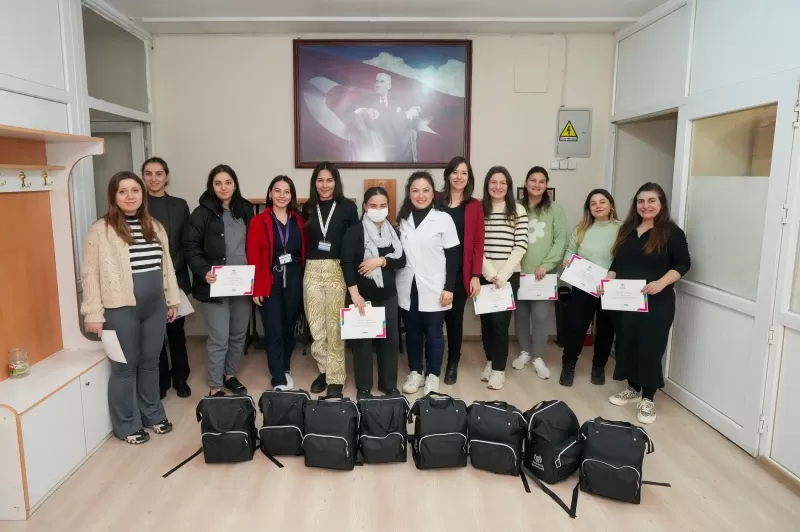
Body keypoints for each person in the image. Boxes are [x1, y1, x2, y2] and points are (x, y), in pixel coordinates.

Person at [81, 171, 180, 444]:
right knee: (124, 368)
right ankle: (126, 424)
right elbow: (90, 274)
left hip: (154, 308)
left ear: (142, 194)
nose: (129, 196)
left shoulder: (155, 226)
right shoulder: (100, 230)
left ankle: (153, 414)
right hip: (119, 310)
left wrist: (172, 299)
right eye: (122, 191)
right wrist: (93, 313)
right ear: (114, 196)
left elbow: (166, 265)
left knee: (150, 364)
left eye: (134, 190)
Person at [598, 182, 690, 425]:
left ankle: (648, 398)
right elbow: (617, 264)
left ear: (661, 204)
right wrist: (607, 283)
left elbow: (682, 265)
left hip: (657, 301)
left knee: (650, 347)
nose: (645, 205)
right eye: (641, 201)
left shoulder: (672, 232)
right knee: (627, 343)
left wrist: (661, 283)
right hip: (626, 301)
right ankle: (633, 388)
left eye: (651, 201)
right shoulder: (627, 229)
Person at [183, 164, 253, 397]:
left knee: (238, 334)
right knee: (219, 336)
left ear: (235, 184)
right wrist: (203, 271)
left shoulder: (244, 209)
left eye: (228, 182)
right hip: (215, 284)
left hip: (242, 283)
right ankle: (215, 385)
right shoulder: (201, 213)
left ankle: (229, 375)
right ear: (211, 186)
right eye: (218, 183)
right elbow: (190, 247)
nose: (223, 187)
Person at [396, 171, 460, 396]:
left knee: (433, 332)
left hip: (435, 286)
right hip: (407, 285)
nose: (420, 195)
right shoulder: (402, 219)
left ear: (433, 193)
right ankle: (416, 372)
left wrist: (449, 288)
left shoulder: (443, 219)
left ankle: (433, 375)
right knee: (412, 332)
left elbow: (453, 257)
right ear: (409, 193)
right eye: (415, 190)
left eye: (425, 190)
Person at [301, 161, 359, 397]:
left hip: (337, 269)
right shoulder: (307, 208)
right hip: (312, 270)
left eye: (329, 180)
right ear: (314, 183)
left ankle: (336, 377)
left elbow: (355, 243)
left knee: (335, 327)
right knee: (316, 326)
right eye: (320, 180)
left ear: (336, 182)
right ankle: (325, 370)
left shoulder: (347, 207)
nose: (324, 185)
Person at [341, 187, 406, 399]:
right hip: (363, 297)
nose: (378, 210)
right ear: (365, 207)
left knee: (390, 342)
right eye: (373, 205)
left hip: (388, 294)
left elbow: (401, 260)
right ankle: (363, 387)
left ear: (388, 207)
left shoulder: (392, 232)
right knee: (363, 344)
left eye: (382, 206)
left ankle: (388, 385)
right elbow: (348, 263)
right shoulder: (355, 231)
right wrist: (354, 295)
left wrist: (379, 261)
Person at [247, 176, 306, 391]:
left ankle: (285, 367)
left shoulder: (297, 220)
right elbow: (253, 255)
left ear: (292, 195)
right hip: (269, 279)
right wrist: (255, 287)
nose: (282, 196)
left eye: (287, 191)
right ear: (270, 193)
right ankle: (278, 378)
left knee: (289, 327)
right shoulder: (258, 221)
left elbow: (303, 252)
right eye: (278, 191)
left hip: (293, 279)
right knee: (273, 329)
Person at [141, 157, 193, 399]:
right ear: (143, 176)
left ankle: (180, 377)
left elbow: (187, 241)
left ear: (166, 177)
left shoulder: (180, 204)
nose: (154, 178)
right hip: (148, 279)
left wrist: (174, 267)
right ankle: (160, 379)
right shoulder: (137, 205)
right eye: (149, 173)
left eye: (159, 174)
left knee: (176, 331)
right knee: (155, 333)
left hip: (177, 276)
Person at [559, 189, 621, 387]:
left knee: (605, 329)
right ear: (589, 208)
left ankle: (598, 367)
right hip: (583, 287)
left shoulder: (622, 229)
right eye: (593, 203)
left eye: (602, 202)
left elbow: (626, 257)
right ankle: (568, 366)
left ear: (611, 205)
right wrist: (567, 261)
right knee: (576, 326)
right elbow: (570, 251)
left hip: (610, 287)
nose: (598, 206)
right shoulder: (581, 229)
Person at [512, 166, 567, 379]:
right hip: (518, 272)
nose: (536, 184)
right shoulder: (516, 207)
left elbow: (560, 240)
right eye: (532, 180)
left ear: (546, 185)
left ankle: (538, 357)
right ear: (525, 183)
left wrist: (547, 263)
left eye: (541, 181)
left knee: (541, 316)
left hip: (543, 274)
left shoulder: (555, 209)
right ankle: (525, 352)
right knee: (521, 314)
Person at [478, 167, 528, 390]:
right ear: (487, 185)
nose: (497, 187)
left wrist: (503, 276)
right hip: (484, 274)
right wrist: (490, 273)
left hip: (508, 276)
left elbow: (520, 245)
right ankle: (491, 360)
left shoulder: (518, 210)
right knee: (486, 323)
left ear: (508, 186)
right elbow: (475, 246)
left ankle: (499, 370)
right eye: (493, 182)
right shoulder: (478, 209)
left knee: (500, 324)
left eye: (502, 183)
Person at [438, 156, 484, 384]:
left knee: (454, 321)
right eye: (455, 172)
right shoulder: (435, 202)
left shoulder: (474, 206)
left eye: (464, 173)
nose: (459, 177)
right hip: (434, 271)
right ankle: (433, 362)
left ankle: (453, 362)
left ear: (469, 178)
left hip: (459, 273)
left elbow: (478, 243)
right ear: (448, 175)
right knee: (433, 320)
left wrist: (476, 275)